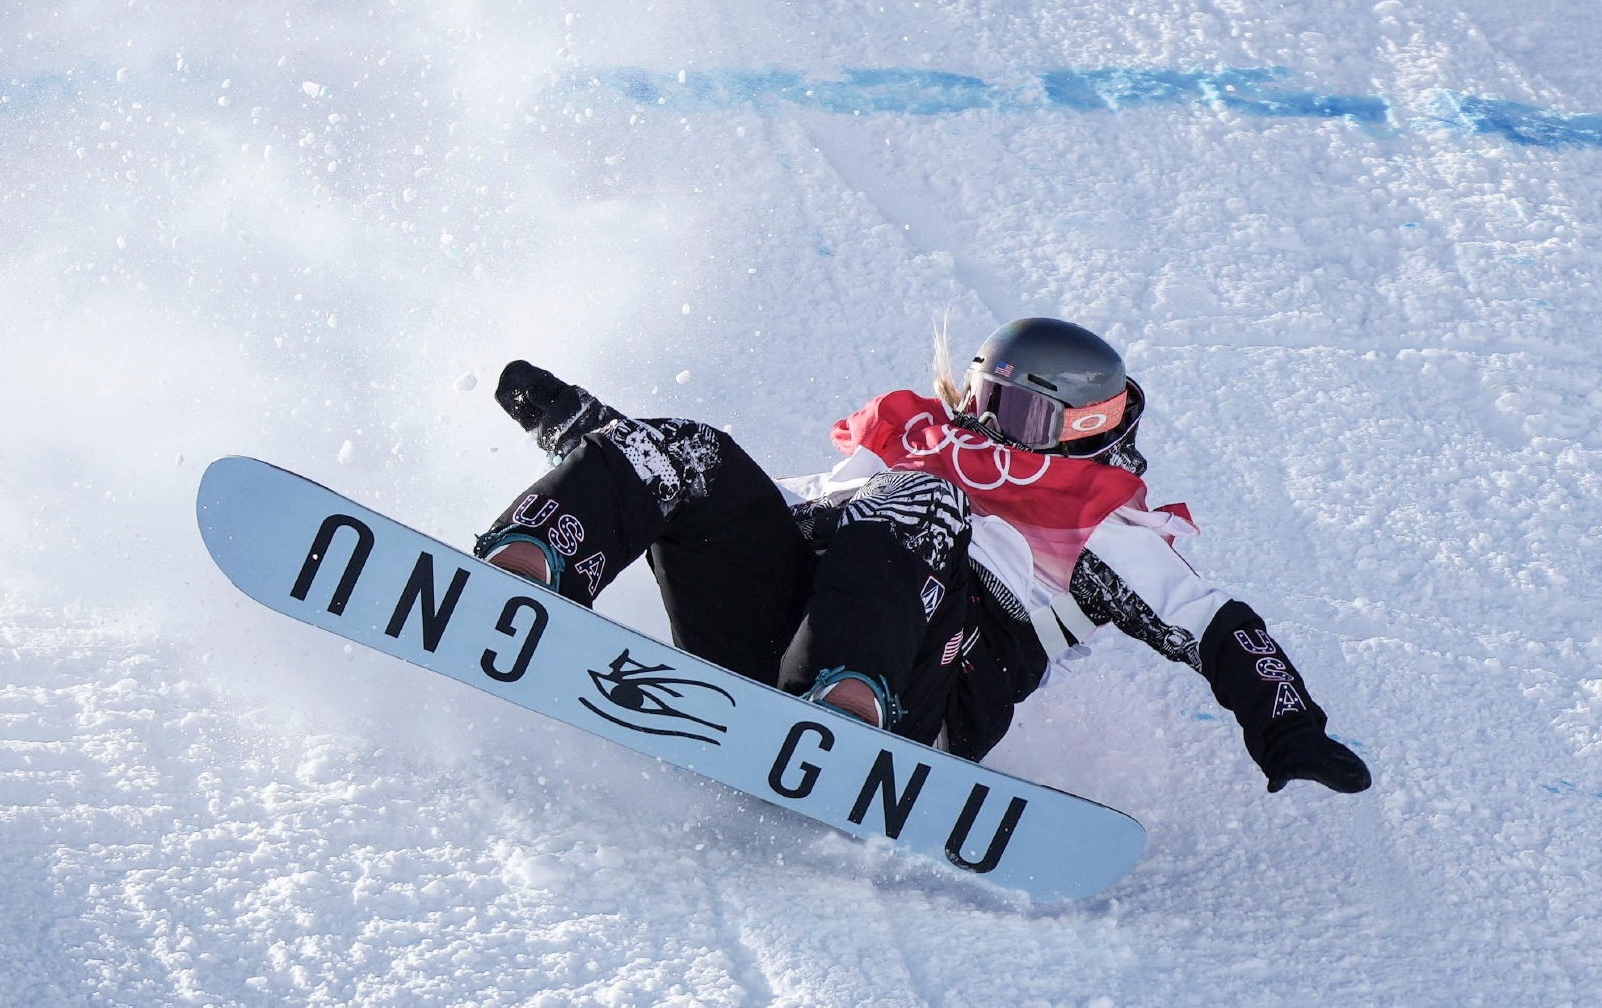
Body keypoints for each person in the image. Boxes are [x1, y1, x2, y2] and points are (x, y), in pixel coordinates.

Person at [473, 318, 1371, 795]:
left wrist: (1287, 723)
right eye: (983, 397)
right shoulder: (916, 439)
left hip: (929, 682)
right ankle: (525, 570)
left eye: (1019, 415)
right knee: (698, 446)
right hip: (787, 622)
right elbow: (750, 508)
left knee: (920, 500)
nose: (985, 425)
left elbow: (1210, 624)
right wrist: (603, 437)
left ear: (1082, 428)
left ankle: (849, 707)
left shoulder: (1100, 520)